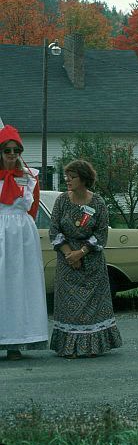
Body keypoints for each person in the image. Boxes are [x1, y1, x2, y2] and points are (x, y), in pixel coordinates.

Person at [49, 160, 122, 358]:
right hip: (67, 261)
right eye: (67, 176)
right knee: (69, 307)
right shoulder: (62, 201)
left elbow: (101, 234)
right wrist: (69, 254)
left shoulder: (97, 202)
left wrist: (81, 252)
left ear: (83, 178)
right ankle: (69, 347)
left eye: (72, 177)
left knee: (92, 307)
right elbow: (54, 230)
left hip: (91, 261)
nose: (68, 180)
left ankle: (92, 346)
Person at [0, 125, 48, 360]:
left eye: (15, 150)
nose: (11, 155)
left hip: (21, 236)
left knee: (19, 284)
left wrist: (20, 231)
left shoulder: (30, 177)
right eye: (7, 150)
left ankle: (16, 342)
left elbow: (34, 208)